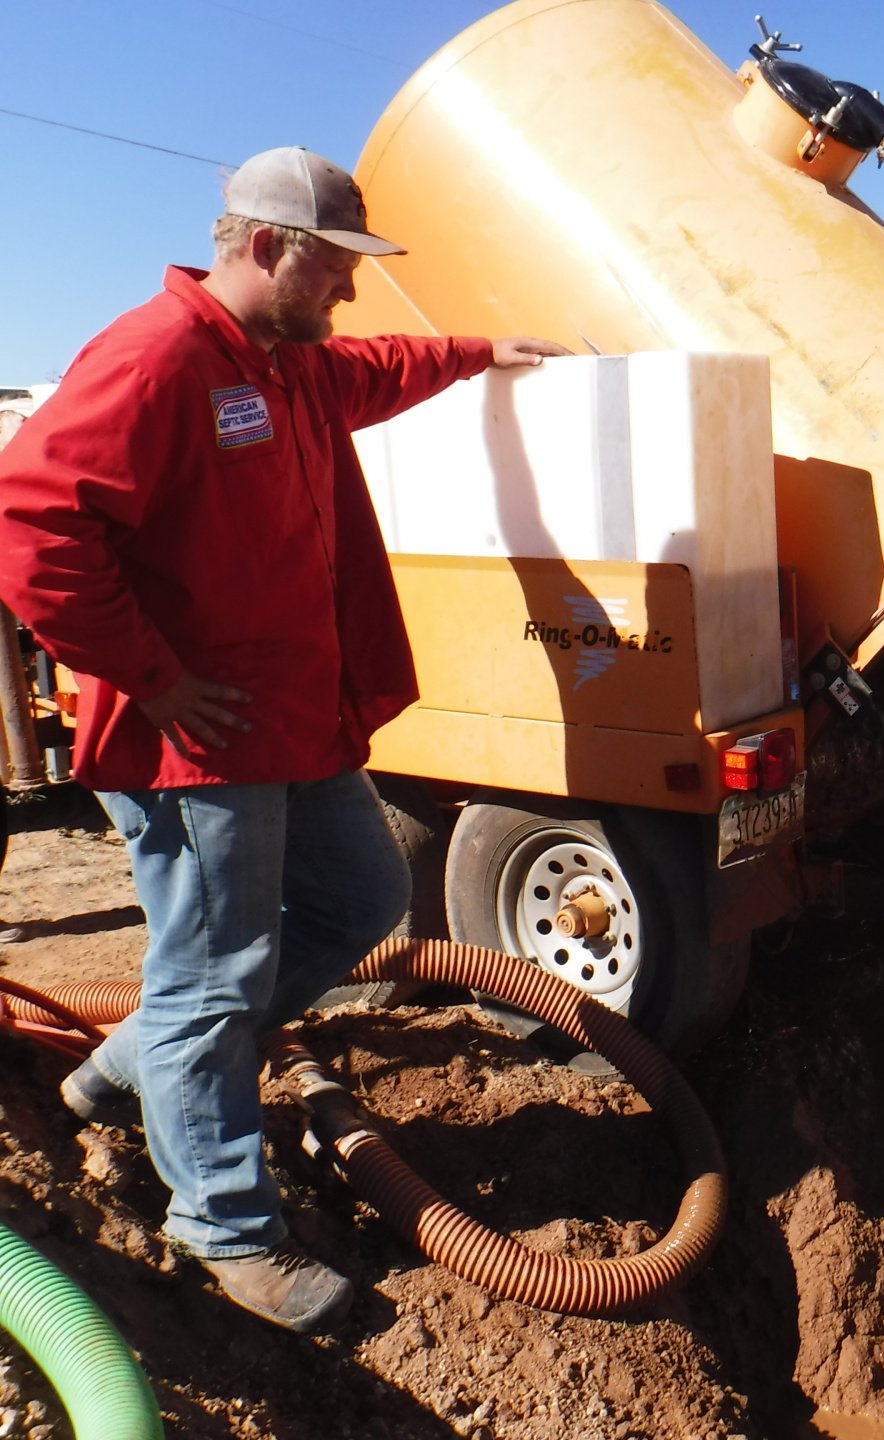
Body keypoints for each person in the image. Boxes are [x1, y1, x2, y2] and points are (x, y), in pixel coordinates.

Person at [0, 147, 568, 1333]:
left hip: (297, 723)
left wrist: (481, 354)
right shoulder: (157, 360)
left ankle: (121, 1070)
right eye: (337, 267)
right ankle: (222, 1222)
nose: (351, 293)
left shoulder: (288, 364)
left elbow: (376, 367)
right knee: (219, 977)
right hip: (197, 749)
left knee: (363, 899)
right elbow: (30, 523)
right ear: (265, 246)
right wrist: (155, 678)